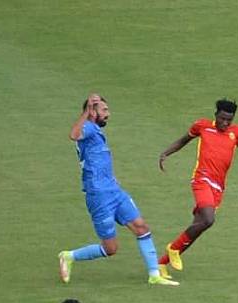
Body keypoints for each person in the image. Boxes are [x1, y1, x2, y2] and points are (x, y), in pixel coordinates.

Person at [58, 94, 178, 286]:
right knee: (110, 248)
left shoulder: (95, 130)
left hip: (114, 191)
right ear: (92, 112)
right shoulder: (87, 128)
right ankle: (69, 256)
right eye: (104, 110)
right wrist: (85, 113)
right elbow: (73, 135)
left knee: (141, 227)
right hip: (98, 196)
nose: (108, 114)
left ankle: (154, 274)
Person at [157, 99, 238, 279]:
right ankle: (173, 249)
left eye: (229, 120)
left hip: (218, 187)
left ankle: (161, 264)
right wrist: (166, 153)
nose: (225, 123)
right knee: (208, 219)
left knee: (198, 227)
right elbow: (183, 140)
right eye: (222, 118)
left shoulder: (236, 132)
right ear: (216, 115)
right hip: (202, 180)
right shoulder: (202, 126)